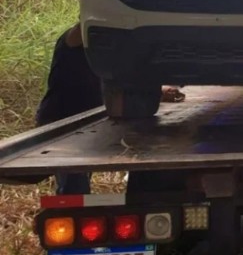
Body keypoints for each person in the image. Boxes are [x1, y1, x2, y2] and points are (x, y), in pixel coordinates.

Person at [36, 23, 184, 194]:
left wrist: (159, 91)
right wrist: (106, 15)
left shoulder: (107, 55)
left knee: (78, 177)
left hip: (85, 125)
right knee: (73, 183)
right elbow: (82, 29)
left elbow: (120, 82)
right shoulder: (72, 40)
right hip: (61, 121)